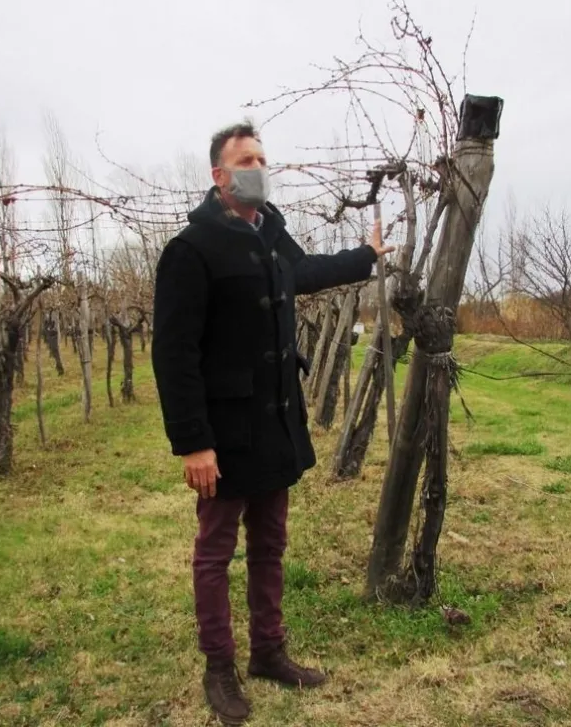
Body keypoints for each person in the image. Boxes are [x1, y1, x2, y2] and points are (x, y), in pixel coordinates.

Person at [151, 121, 394, 725]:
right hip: (225, 435)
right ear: (219, 176)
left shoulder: (270, 234)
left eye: (262, 157)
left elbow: (301, 273)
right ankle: (220, 667)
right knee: (215, 551)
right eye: (246, 159)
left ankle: (269, 652)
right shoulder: (192, 250)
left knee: (270, 546)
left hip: (276, 422)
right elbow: (173, 354)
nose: (259, 166)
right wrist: (193, 443)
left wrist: (365, 257)